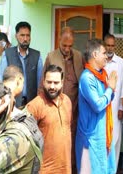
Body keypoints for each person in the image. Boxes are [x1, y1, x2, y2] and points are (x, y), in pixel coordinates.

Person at [40, 27, 84, 173]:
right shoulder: (51, 56)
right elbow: (43, 84)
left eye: (70, 46)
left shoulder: (78, 56)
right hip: (55, 109)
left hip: (75, 109)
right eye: (64, 45)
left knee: (73, 143)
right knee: (57, 143)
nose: (67, 49)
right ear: (59, 41)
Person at [76, 39, 117, 173]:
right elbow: (98, 105)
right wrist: (110, 88)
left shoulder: (101, 75)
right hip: (91, 138)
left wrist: (110, 88)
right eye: (104, 53)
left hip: (102, 134)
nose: (107, 56)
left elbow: (108, 99)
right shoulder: (87, 78)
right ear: (94, 55)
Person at [27, 64, 72, 173]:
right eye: (49, 82)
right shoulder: (34, 106)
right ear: (43, 82)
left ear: (62, 83)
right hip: (44, 170)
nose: (52, 86)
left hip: (65, 168)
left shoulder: (67, 101)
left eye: (56, 83)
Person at [0, 21, 43, 108]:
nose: (25, 39)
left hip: (32, 105)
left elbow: (40, 84)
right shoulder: (7, 54)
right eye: (22, 35)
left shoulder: (37, 56)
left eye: (28, 35)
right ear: (16, 36)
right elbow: (0, 81)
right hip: (11, 104)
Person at [104, 34, 123, 170]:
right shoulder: (100, 60)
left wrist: (121, 108)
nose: (110, 48)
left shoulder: (121, 62)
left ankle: (112, 169)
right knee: (103, 140)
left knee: (115, 139)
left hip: (115, 109)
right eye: (108, 45)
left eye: (112, 45)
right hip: (101, 108)